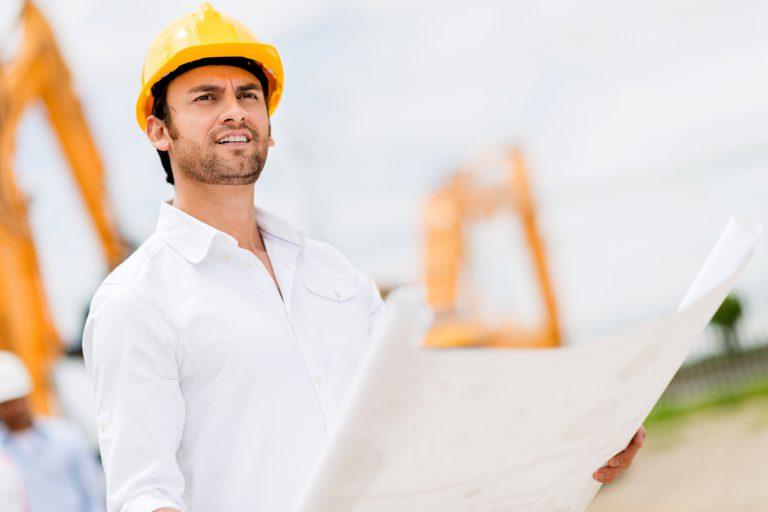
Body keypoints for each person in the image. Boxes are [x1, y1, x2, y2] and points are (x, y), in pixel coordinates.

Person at [83, 3, 643, 511]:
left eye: (247, 95)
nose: (234, 111)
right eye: (206, 97)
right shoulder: (137, 303)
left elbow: (422, 417)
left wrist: (577, 438)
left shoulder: (333, 275)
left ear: (270, 130)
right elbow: (144, 496)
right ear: (160, 130)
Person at [0, 351, 105, 512]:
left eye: (15, 401)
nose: (13, 409)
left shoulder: (67, 438)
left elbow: (94, 494)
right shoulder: (3, 455)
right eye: (6, 404)